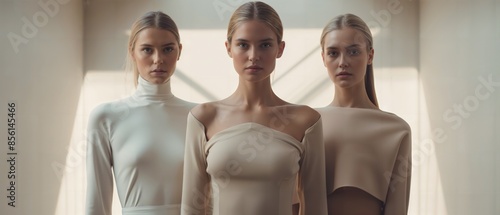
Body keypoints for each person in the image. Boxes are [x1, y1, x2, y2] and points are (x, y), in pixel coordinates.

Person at [180, 2, 327, 215]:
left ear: (280, 48)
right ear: (228, 48)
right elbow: (191, 208)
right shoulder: (203, 118)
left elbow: (315, 208)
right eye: (243, 45)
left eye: (265, 45)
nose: (253, 55)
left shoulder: (305, 120)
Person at [86, 11, 196, 215]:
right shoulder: (105, 117)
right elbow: (96, 204)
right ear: (132, 52)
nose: (158, 59)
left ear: (179, 51)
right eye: (147, 50)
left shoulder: (199, 115)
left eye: (168, 49)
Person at [316, 13, 412, 215]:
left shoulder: (395, 129)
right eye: (333, 53)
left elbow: (397, 209)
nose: (343, 62)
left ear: (370, 55)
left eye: (353, 51)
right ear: (323, 58)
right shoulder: (309, 122)